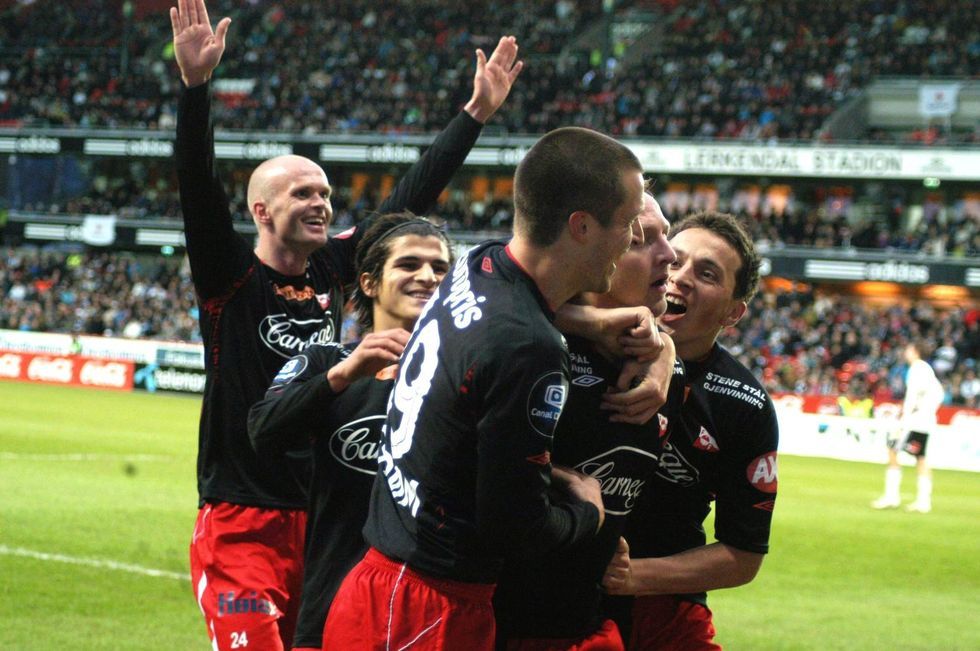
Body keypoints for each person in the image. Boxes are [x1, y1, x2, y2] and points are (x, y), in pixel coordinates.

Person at [170, 1, 523, 648]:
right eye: (303, 193)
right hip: (242, 518)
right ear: (261, 211)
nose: (321, 203)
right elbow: (197, 187)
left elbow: (407, 202)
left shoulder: (332, 267)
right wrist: (196, 90)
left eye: (327, 194)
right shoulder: (230, 277)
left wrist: (473, 114)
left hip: (324, 518)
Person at [321, 126, 648, 650]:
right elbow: (515, 528)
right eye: (629, 223)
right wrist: (588, 512)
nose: (632, 240)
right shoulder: (530, 348)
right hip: (426, 612)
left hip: (383, 585)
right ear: (582, 226)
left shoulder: (480, 263)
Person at [247, 214, 452, 651]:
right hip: (330, 608)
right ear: (370, 282)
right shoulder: (326, 361)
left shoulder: (465, 376)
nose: (427, 276)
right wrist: (343, 376)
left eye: (440, 268)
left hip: (430, 618)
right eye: (409, 264)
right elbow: (262, 432)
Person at [493, 193, 682, 650]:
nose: (670, 255)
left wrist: (665, 350)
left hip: (586, 624)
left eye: (667, 236)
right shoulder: (529, 346)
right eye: (642, 240)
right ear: (595, 251)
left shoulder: (661, 362)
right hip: (495, 625)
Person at [603, 211, 779, 651]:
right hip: (548, 590)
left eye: (707, 273)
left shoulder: (744, 404)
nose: (680, 277)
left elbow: (743, 554)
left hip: (662, 609)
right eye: (676, 260)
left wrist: (631, 575)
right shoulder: (579, 342)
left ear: (733, 312)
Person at [871, 341, 944, 513]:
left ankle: (892, 496)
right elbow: (939, 393)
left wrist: (906, 417)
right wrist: (929, 409)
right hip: (925, 421)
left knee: (892, 450)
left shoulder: (917, 369)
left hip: (914, 421)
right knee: (921, 457)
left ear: (916, 351)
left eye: (909, 349)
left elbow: (912, 396)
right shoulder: (927, 370)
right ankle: (923, 501)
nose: (906, 352)